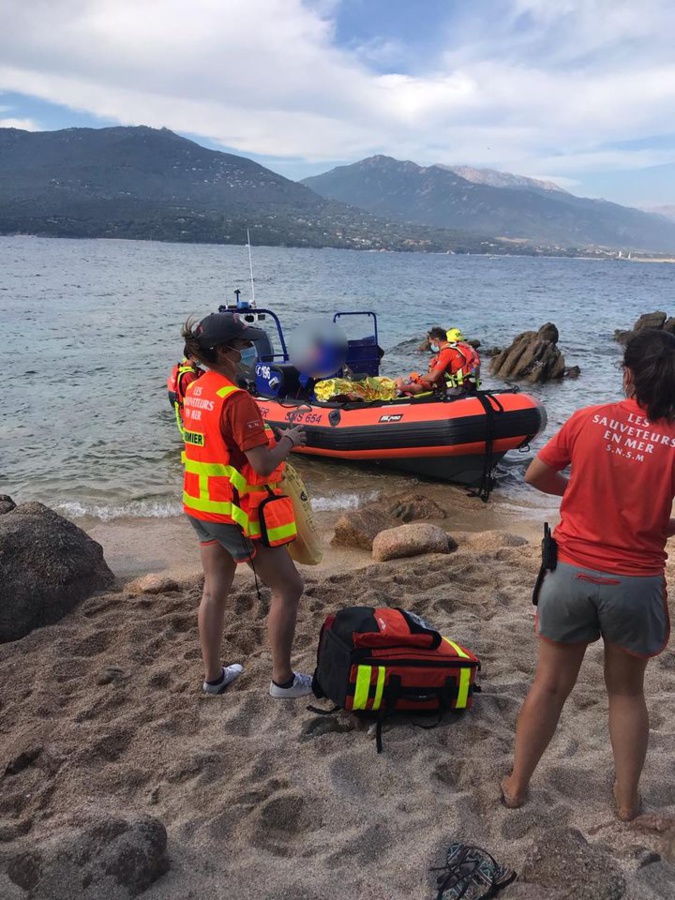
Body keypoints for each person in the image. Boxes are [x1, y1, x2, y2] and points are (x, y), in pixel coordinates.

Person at [501, 329, 675, 821]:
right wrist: (657, 523)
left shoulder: (587, 418)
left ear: (627, 375)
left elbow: (535, 475)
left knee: (550, 685)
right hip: (635, 583)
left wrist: (580, 496)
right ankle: (626, 802)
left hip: (569, 574)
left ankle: (516, 786)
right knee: (626, 692)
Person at [180, 311, 313, 699]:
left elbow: (218, 446)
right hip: (235, 513)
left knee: (214, 590)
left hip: (201, 506)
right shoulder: (236, 400)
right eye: (244, 346)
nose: (250, 352)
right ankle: (283, 681)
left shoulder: (197, 389)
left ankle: (213, 677)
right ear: (224, 352)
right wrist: (289, 440)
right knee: (289, 588)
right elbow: (263, 464)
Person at [396, 326, 480, 396]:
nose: (431, 346)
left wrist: (419, 377)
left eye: (431, 343)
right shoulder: (463, 349)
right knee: (424, 383)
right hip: (469, 386)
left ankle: (402, 387)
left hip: (455, 390)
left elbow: (433, 377)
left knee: (423, 384)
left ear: (436, 341)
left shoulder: (448, 351)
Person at [167, 348, 203, 436]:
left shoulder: (183, 367)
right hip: (191, 415)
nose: (202, 356)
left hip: (186, 413)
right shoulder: (189, 376)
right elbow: (202, 394)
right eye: (199, 353)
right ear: (191, 356)